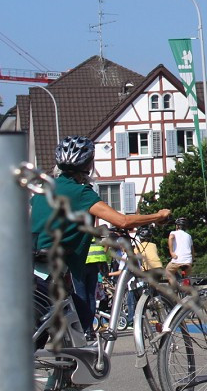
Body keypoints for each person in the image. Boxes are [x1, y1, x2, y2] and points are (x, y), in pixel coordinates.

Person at [30, 136, 171, 333]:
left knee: (67, 323)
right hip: (50, 276)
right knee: (83, 318)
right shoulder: (81, 193)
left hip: (32, 269)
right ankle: (66, 361)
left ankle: (64, 361)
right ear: (88, 164)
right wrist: (158, 215)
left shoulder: (43, 190)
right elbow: (122, 221)